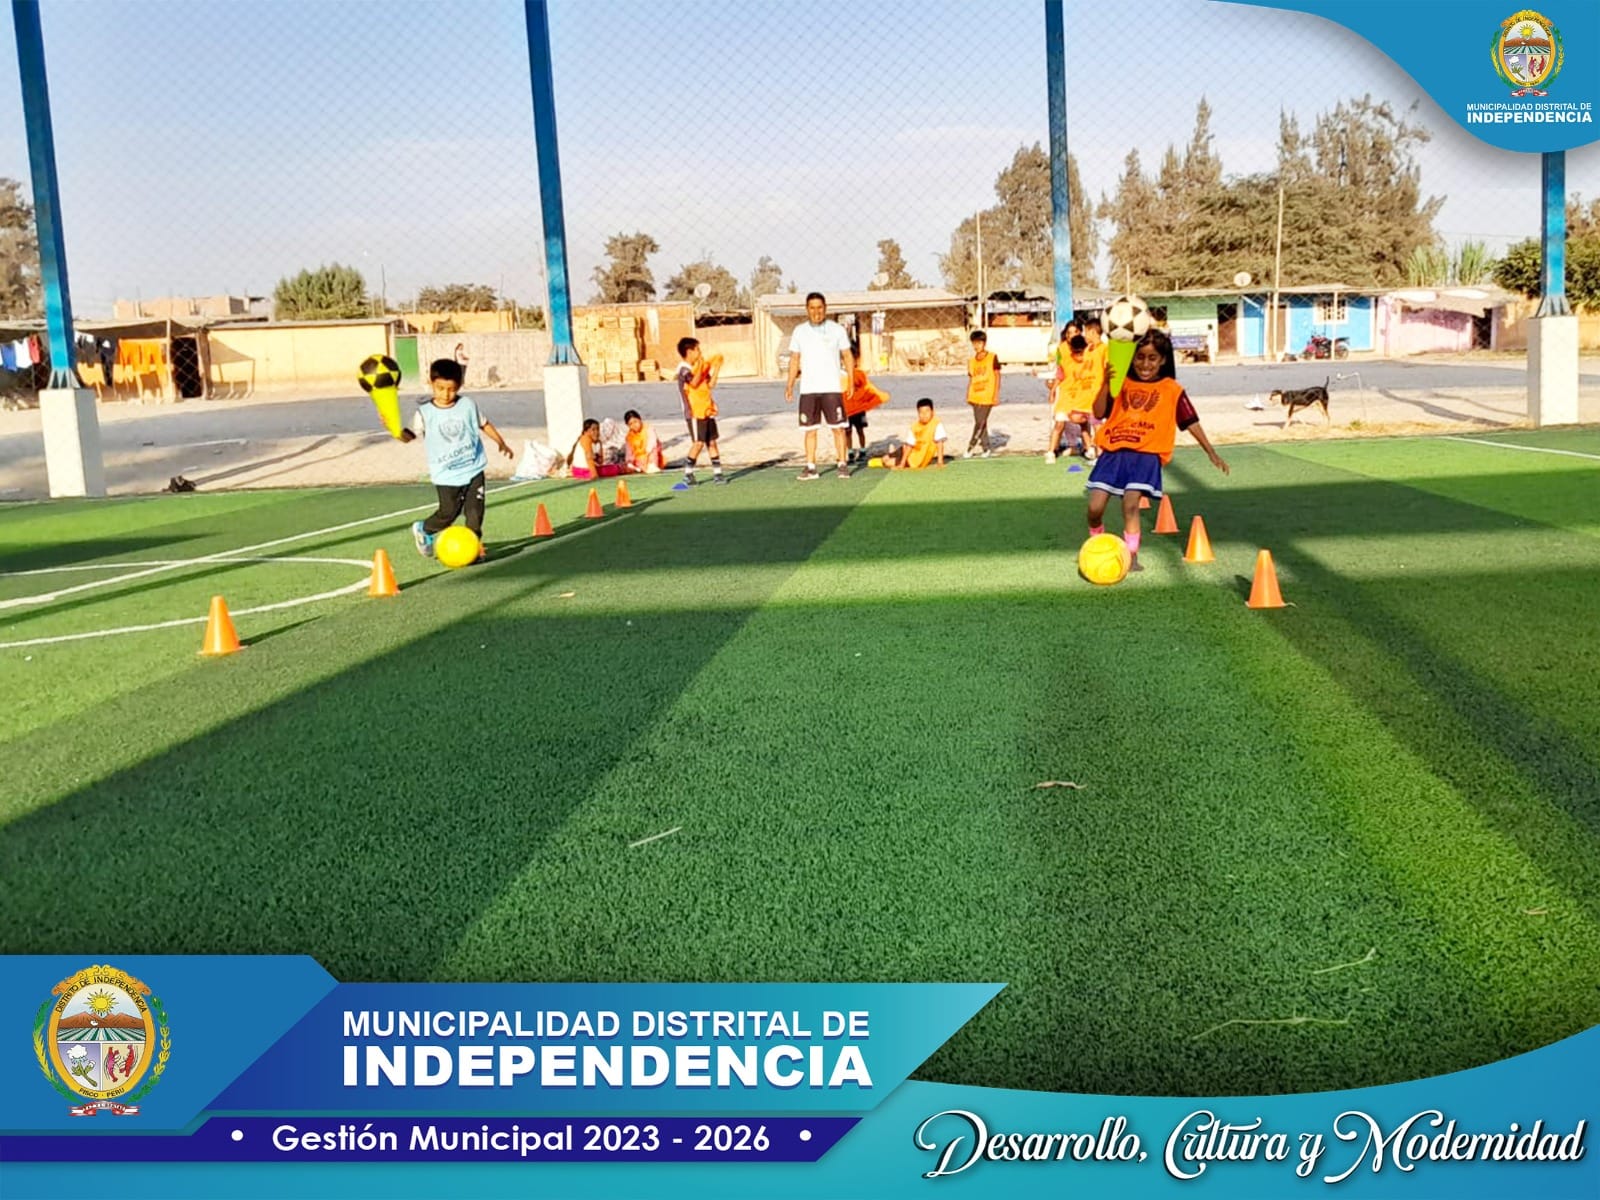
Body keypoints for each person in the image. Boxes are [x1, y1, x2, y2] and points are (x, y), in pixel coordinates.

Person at [1085, 329, 1229, 572]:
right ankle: (1096, 543)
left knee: (1131, 504)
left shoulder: (1172, 389)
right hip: (1113, 452)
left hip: (1146, 454)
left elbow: (1190, 421)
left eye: (1152, 358)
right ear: (1132, 357)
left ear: (1162, 360)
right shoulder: (1121, 382)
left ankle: (1131, 555)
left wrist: (1211, 452)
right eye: (1140, 357)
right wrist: (1106, 383)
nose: (1145, 364)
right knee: (1094, 508)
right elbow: (1098, 413)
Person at [402, 358, 513, 561]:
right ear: (431, 383)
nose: (446, 394)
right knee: (448, 514)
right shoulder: (424, 413)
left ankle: (473, 549)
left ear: (460, 385)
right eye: (440, 388)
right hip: (446, 475)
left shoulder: (467, 405)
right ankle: (424, 529)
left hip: (473, 468)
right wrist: (395, 431)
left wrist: (501, 442)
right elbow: (408, 436)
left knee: (475, 515)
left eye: (451, 389)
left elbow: (484, 424)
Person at [784, 292, 855, 480]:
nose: (816, 312)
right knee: (810, 430)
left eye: (820, 308)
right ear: (807, 309)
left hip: (832, 388)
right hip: (809, 390)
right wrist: (790, 384)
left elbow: (847, 355)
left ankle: (842, 464)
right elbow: (794, 359)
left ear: (825, 308)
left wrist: (851, 381)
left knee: (838, 428)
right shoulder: (799, 331)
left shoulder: (836, 330)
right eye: (812, 308)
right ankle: (811, 467)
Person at [676, 337, 726, 484]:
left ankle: (718, 474)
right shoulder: (684, 369)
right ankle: (688, 474)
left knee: (712, 442)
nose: (700, 352)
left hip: (706, 409)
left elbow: (710, 384)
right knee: (698, 443)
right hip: (694, 412)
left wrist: (716, 368)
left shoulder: (699, 367)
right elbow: (694, 382)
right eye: (697, 349)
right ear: (689, 351)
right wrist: (702, 366)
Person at [1049, 335, 1100, 462]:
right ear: (1071, 351)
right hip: (1068, 398)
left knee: (1090, 425)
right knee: (1060, 423)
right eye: (1076, 353)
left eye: (1081, 353)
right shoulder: (1066, 362)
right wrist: (1053, 390)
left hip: (1088, 399)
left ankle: (1092, 450)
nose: (1079, 356)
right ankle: (1051, 451)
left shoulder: (1092, 359)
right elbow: (1059, 376)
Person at [842, 352, 889, 466]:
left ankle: (862, 450)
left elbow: (866, 387)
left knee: (860, 430)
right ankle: (850, 452)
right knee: (847, 432)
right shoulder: (842, 376)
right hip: (847, 409)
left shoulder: (859, 373)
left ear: (855, 361)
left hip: (859, 408)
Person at [964, 330, 1001, 458]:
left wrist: (996, 394)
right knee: (981, 422)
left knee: (980, 422)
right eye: (974, 343)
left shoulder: (992, 357)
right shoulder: (971, 361)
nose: (976, 346)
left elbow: (997, 375)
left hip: (987, 394)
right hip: (975, 395)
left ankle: (971, 446)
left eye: (979, 343)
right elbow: (971, 379)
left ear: (984, 343)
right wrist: (968, 394)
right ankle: (986, 447)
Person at [880, 398, 946, 470]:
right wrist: (902, 463)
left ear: (932, 412)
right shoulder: (914, 427)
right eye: (921, 412)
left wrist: (940, 462)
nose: (924, 414)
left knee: (887, 463)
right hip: (908, 451)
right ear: (918, 413)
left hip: (914, 461)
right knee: (885, 458)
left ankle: (886, 460)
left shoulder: (936, 424)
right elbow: (909, 446)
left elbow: (939, 444)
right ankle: (886, 458)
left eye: (927, 411)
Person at [623, 409, 663, 474]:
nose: (634, 425)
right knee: (628, 465)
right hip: (639, 460)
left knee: (653, 452)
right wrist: (629, 462)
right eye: (630, 424)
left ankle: (651, 466)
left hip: (650, 456)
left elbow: (652, 445)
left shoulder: (649, 429)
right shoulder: (629, 437)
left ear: (640, 419)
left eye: (635, 422)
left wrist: (646, 458)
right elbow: (629, 453)